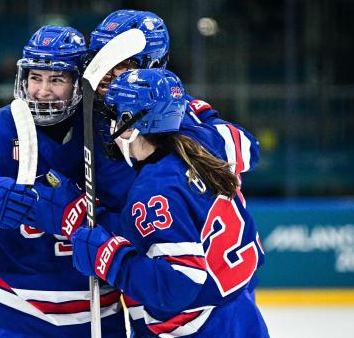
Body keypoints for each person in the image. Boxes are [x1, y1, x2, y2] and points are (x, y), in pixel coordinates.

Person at [0, 25, 128, 337]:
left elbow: (138, 222)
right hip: (10, 316)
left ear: (78, 82)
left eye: (56, 79)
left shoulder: (110, 134)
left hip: (96, 316)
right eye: (35, 77)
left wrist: (81, 218)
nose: (42, 91)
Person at [71, 68, 269, 337]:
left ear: (134, 122)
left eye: (116, 117)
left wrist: (110, 258)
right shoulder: (202, 146)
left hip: (199, 327)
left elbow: (178, 284)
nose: (112, 128)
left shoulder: (154, 190)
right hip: (242, 312)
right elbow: (249, 147)